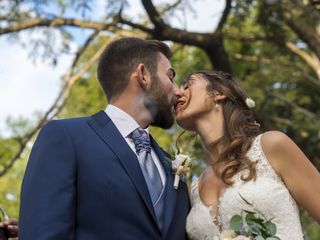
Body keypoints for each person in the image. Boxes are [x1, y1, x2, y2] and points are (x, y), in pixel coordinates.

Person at [19, 38, 190, 239]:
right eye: (170, 77)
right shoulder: (67, 137)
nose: (178, 91)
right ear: (143, 75)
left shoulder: (170, 164)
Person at [174, 70, 320, 239]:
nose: (178, 92)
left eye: (187, 84)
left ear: (218, 93)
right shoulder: (193, 188)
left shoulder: (272, 146)